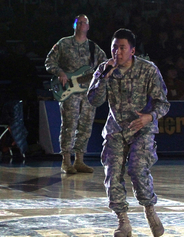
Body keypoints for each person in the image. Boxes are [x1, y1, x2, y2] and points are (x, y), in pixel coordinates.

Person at [87, 28, 169, 237]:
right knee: (112, 174)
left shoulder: (148, 70)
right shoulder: (105, 70)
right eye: (114, 48)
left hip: (141, 129)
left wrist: (149, 117)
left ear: (132, 51)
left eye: (122, 48)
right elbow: (94, 100)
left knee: (137, 169)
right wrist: (104, 76)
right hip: (116, 130)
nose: (117, 52)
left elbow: (163, 103)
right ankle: (123, 222)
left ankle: (149, 209)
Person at [44, 14, 107, 174]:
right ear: (74, 25)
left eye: (84, 23)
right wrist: (60, 72)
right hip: (69, 91)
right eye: (78, 23)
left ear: (88, 26)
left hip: (87, 92)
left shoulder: (93, 47)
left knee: (85, 126)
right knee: (69, 125)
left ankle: (79, 160)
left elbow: (104, 63)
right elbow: (49, 61)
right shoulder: (63, 43)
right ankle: (66, 161)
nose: (81, 25)